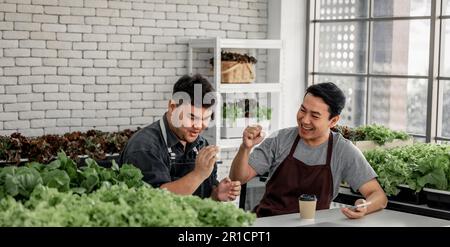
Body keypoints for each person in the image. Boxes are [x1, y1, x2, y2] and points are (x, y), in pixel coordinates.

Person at [230, 82, 387, 218]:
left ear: (333, 121)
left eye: (315, 116)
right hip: (267, 223)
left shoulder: (343, 151)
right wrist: (245, 148)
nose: (304, 120)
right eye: (303, 110)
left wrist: (365, 206)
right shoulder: (280, 139)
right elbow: (238, 178)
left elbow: (378, 196)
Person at [119, 74, 240, 201]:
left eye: (205, 118)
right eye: (192, 117)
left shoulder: (201, 145)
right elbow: (155, 201)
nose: (198, 126)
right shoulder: (144, 146)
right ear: (172, 108)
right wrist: (198, 175)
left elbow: (204, 201)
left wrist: (216, 195)